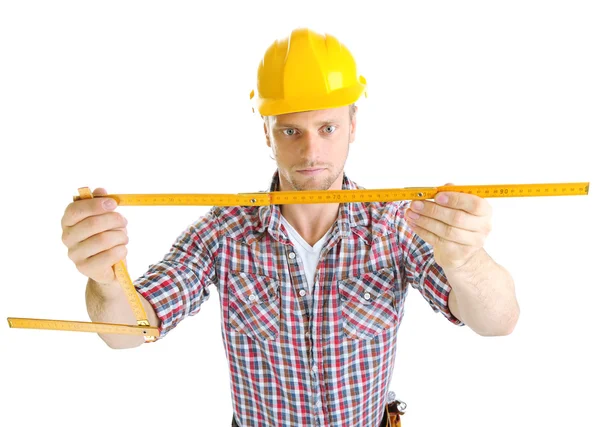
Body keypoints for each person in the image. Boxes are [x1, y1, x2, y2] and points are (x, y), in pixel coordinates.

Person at [60, 27, 520, 427]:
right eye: (290, 131)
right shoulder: (222, 234)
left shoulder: (397, 226)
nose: (311, 154)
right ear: (266, 131)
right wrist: (105, 277)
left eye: (327, 128)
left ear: (353, 125)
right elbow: (125, 333)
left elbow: (498, 323)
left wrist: (466, 260)